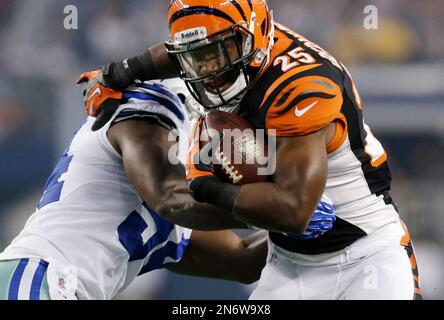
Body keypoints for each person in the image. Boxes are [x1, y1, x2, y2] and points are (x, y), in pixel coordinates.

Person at [79, 0, 422, 300]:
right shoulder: (235, 42)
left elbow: (294, 212)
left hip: (366, 257)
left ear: (253, 37)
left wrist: (207, 187)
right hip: (290, 264)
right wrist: (115, 74)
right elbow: (187, 49)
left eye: (217, 54)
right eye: (196, 58)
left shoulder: (301, 87)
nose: (209, 71)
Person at [0, 78, 336, 300]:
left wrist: (305, 223)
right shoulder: (143, 112)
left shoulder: (168, 213)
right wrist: (276, 210)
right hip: (37, 276)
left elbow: (243, 261)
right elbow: (169, 199)